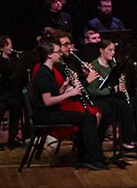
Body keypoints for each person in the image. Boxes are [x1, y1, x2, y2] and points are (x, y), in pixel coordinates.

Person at [30, 39, 108, 170]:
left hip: (51, 111)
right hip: (45, 115)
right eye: (57, 52)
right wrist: (70, 94)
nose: (60, 54)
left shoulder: (49, 71)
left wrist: (65, 88)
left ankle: (89, 156)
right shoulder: (43, 73)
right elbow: (47, 101)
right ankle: (89, 157)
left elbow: (53, 94)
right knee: (87, 118)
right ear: (49, 55)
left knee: (87, 116)